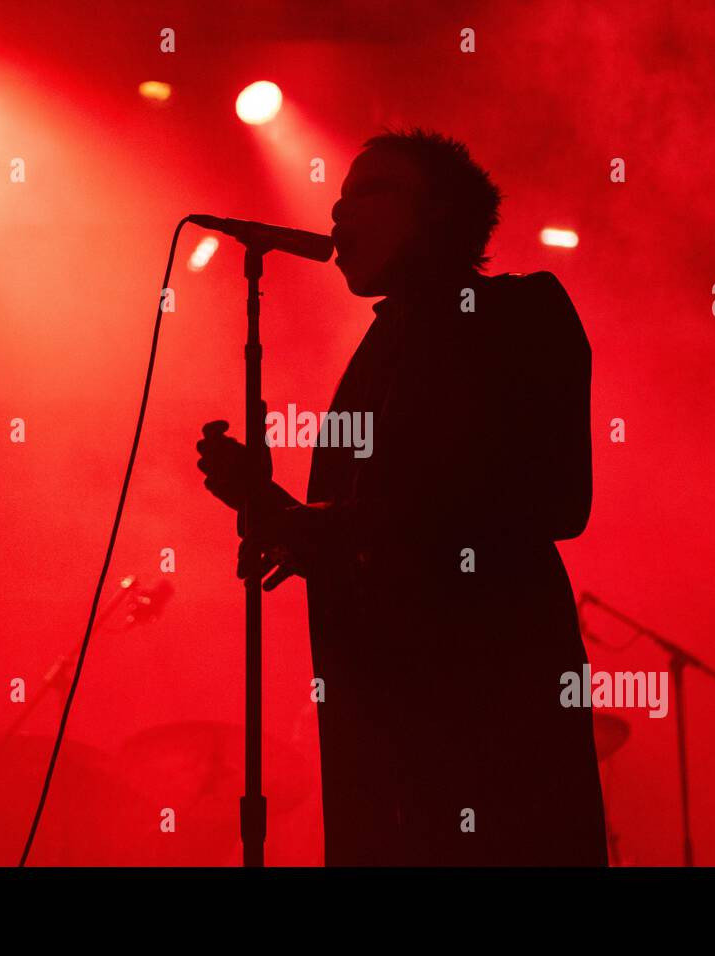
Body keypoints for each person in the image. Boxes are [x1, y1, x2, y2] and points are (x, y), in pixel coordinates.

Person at [196, 129, 607, 865]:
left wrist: (307, 522)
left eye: (369, 191)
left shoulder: (520, 314)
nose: (336, 207)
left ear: (441, 214)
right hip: (382, 737)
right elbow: (375, 533)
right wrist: (264, 501)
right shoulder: (382, 348)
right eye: (341, 192)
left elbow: (551, 499)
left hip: (490, 719)